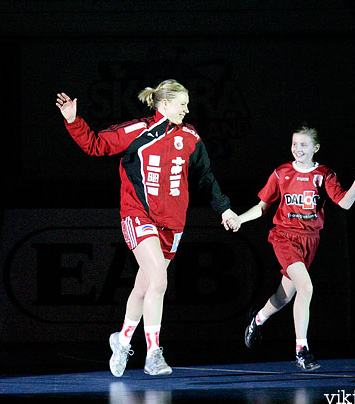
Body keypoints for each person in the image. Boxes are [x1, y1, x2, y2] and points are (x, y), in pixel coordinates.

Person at [56, 79, 238, 376]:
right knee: (159, 281)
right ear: (164, 105)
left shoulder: (190, 136)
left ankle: (122, 339)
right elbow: (95, 145)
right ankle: (153, 353)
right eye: (182, 105)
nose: (187, 110)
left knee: (144, 287)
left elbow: (205, 176)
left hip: (173, 224)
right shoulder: (138, 131)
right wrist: (74, 120)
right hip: (138, 215)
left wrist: (225, 208)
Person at [226, 124, 355, 371]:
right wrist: (239, 218)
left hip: (310, 241)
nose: (297, 149)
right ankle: (302, 350)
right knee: (306, 286)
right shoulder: (281, 173)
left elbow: (345, 203)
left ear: (315, 148)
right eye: (294, 144)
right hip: (284, 238)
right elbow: (262, 207)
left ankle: (257, 320)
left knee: (284, 296)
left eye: (303, 145)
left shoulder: (324, 174)